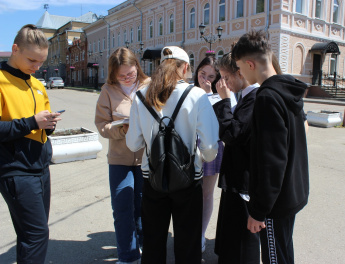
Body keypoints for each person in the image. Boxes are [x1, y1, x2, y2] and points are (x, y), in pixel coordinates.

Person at [126, 46, 219, 264]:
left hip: (153, 179)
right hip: (188, 181)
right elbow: (210, 150)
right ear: (185, 67)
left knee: (153, 243)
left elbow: (133, 144)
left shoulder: (141, 95)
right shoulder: (196, 95)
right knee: (188, 245)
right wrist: (200, 156)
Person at [231, 30, 309, 264]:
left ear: (250, 64)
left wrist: (258, 211)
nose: (241, 74)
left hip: (275, 204)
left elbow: (271, 161)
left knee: (275, 259)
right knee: (284, 255)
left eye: (240, 67)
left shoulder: (267, 97)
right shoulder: (288, 90)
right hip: (291, 194)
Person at [0, 24, 62, 263]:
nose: (37, 67)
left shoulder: (37, 84)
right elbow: (24, 124)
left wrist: (48, 124)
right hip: (15, 168)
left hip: (40, 166)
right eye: (32, 60)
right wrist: (31, 122)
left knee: (30, 233)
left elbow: (38, 123)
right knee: (36, 234)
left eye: (41, 62)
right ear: (15, 49)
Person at [95, 47, 150, 264]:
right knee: (122, 207)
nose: (127, 78)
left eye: (131, 73)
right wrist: (121, 129)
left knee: (143, 208)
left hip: (147, 159)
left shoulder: (149, 86)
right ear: (113, 74)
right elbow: (101, 125)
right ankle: (127, 257)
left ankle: (143, 247)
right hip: (120, 160)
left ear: (137, 66)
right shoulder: (108, 91)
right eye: (122, 76)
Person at [213, 52, 260, 263]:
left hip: (244, 180)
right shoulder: (247, 96)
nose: (226, 84)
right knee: (232, 234)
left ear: (240, 73)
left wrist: (224, 101)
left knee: (242, 240)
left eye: (227, 78)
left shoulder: (254, 98)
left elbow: (233, 134)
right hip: (236, 177)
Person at [193, 56, 237, 252]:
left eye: (211, 76)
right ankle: (189, 233)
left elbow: (222, 121)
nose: (206, 79)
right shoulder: (187, 91)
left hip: (212, 145)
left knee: (206, 194)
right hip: (189, 148)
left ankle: (200, 235)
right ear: (196, 71)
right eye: (203, 73)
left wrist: (210, 94)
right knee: (188, 193)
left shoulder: (221, 94)